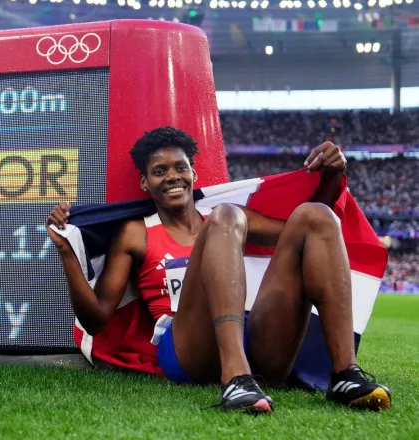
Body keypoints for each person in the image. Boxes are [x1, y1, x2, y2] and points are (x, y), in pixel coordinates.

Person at [46, 127, 391, 414]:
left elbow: (310, 239)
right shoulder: (137, 232)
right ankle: (236, 380)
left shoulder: (225, 217)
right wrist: (67, 255)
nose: (172, 177)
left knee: (317, 215)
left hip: (252, 344)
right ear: (144, 183)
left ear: (194, 174)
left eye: (180, 167)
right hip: (186, 348)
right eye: (159, 171)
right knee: (226, 216)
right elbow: (97, 320)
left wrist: (332, 176)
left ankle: (346, 373)